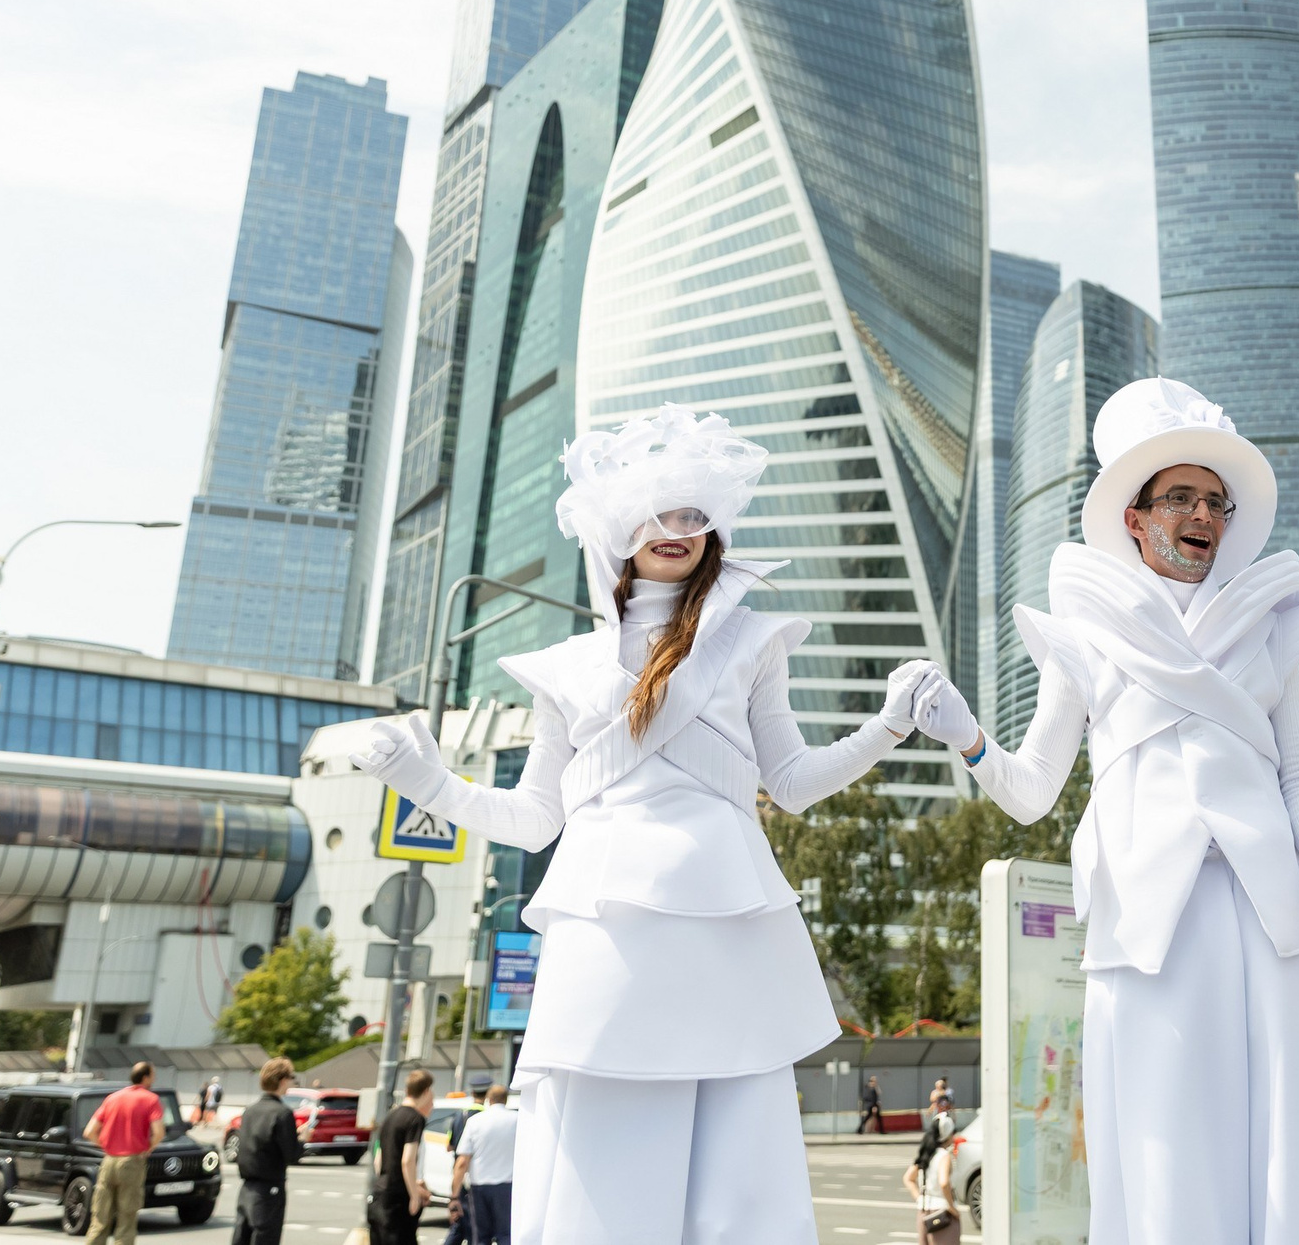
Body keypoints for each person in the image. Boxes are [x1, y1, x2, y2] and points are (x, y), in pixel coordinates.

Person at [351, 404, 946, 1244]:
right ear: (616, 529)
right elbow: (531, 819)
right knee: (603, 1162)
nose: (675, 528)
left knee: (740, 1169)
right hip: (607, 928)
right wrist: (427, 780)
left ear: (715, 529)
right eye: (656, 512)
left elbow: (793, 782)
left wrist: (886, 726)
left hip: (728, 919)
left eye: (693, 513)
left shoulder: (753, 639)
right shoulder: (565, 667)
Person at [905, 378, 1299, 1245]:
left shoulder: (1268, 628)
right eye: (1183, 498)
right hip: (1149, 929)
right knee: (1168, 1167)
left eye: (1217, 501)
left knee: (1294, 1156)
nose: (1205, 514)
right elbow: (1032, 788)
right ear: (1135, 516)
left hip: (1268, 919)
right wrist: (967, 736)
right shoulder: (1086, 633)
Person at [80, 1061, 165, 1245]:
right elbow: (159, 1132)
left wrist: (106, 1145)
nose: (154, 1078)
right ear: (145, 1077)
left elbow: (89, 1131)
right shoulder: (150, 1099)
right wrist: (147, 1147)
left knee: (101, 1216)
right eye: (153, 1075)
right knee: (126, 1218)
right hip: (131, 1161)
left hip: (109, 1160)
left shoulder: (113, 1098)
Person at [229, 1056, 302, 1245]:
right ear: (282, 1079)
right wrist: (302, 1140)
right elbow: (291, 1154)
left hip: (247, 1187)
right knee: (265, 1237)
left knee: (242, 1237)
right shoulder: (282, 1113)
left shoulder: (250, 1110)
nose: (292, 1082)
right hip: (270, 1187)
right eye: (291, 1077)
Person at [370, 1070, 434, 1245]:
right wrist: (414, 1194)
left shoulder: (390, 1116)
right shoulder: (415, 1119)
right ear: (427, 1091)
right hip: (400, 1197)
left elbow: (378, 1159)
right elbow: (408, 1159)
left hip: (381, 1192)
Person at [455, 1084, 519, 1245]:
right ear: (506, 1100)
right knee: (506, 1234)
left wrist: (455, 1193)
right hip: (507, 1185)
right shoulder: (517, 1120)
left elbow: (462, 1161)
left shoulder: (474, 1121)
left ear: (488, 1100)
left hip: (480, 1187)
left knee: (481, 1236)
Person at [905, 1096, 958, 1208]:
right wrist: (952, 1208)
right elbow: (944, 1183)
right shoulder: (944, 1156)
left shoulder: (927, 1154)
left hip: (924, 1210)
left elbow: (908, 1178)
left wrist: (920, 1199)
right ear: (948, 1135)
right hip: (942, 1212)